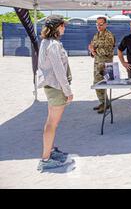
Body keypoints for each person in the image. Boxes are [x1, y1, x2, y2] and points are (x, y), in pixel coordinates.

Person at [36, 15, 74, 171]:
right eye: (63, 25)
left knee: (51, 122)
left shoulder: (48, 43)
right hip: (56, 88)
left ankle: (50, 151)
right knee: (52, 123)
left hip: (53, 86)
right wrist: (68, 91)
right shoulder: (53, 45)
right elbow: (59, 71)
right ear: (57, 27)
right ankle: (45, 159)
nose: (64, 27)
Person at [88, 17, 115, 114]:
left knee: (104, 84)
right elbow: (92, 48)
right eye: (97, 24)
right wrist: (92, 51)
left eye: (101, 24)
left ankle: (105, 104)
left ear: (105, 24)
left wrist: (94, 50)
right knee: (97, 84)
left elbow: (108, 51)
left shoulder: (109, 35)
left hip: (106, 65)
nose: (99, 26)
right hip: (97, 64)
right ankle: (103, 102)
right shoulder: (96, 35)